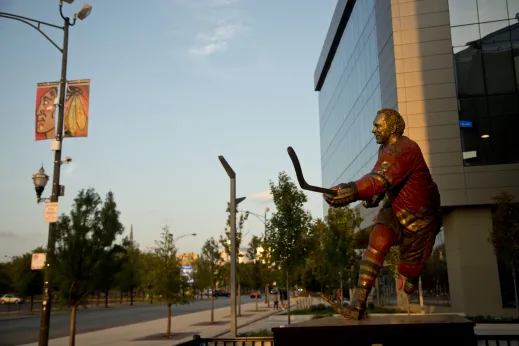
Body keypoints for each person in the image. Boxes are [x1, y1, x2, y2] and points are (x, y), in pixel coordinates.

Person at [323, 108, 442, 320]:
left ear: (393, 127)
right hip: (395, 209)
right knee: (376, 242)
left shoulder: (405, 149)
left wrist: (351, 191)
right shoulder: (385, 149)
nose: (373, 130)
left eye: (377, 125)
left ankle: (412, 276)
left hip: (420, 219)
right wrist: (373, 198)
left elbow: (380, 179)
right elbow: (383, 181)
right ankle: (358, 304)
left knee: (409, 272)